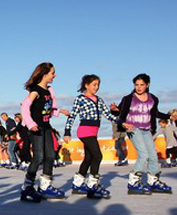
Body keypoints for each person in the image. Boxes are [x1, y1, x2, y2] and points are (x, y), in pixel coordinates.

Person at [63, 74, 132, 199]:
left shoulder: (99, 100)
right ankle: (93, 185)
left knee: (89, 158)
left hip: (93, 132)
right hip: (84, 131)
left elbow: (108, 115)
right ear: (86, 85)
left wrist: (122, 122)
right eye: (94, 85)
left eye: (98, 85)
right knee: (98, 155)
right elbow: (72, 115)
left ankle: (78, 184)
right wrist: (67, 131)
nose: (97, 87)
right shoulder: (80, 99)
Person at [113, 73, 172, 195]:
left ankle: (153, 180)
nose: (139, 87)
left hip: (147, 129)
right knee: (143, 154)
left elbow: (154, 113)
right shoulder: (128, 98)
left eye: (142, 85)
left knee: (153, 156)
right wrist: (114, 111)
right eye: (136, 85)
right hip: (133, 128)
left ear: (147, 85)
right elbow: (120, 112)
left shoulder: (153, 98)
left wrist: (169, 116)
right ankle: (134, 181)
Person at [19, 62, 70, 202]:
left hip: (47, 127)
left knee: (51, 156)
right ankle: (27, 187)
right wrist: (30, 124)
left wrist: (60, 111)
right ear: (44, 74)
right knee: (38, 157)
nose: (55, 75)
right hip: (36, 128)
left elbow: (48, 109)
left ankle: (46, 186)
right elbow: (24, 107)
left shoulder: (49, 91)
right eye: (53, 73)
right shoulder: (35, 91)